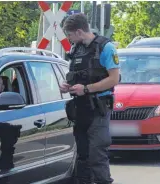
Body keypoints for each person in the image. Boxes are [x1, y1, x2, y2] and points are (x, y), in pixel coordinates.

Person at [60, 13, 120, 184]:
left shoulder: (106, 48)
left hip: (98, 107)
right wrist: (67, 85)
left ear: (79, 32)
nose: (69, 39)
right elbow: (77, 76)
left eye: (70, 35)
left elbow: (114, 79)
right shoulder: (75, 49)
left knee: (97, 154)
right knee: (82, 155)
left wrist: (86, 89)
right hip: (80, 108)